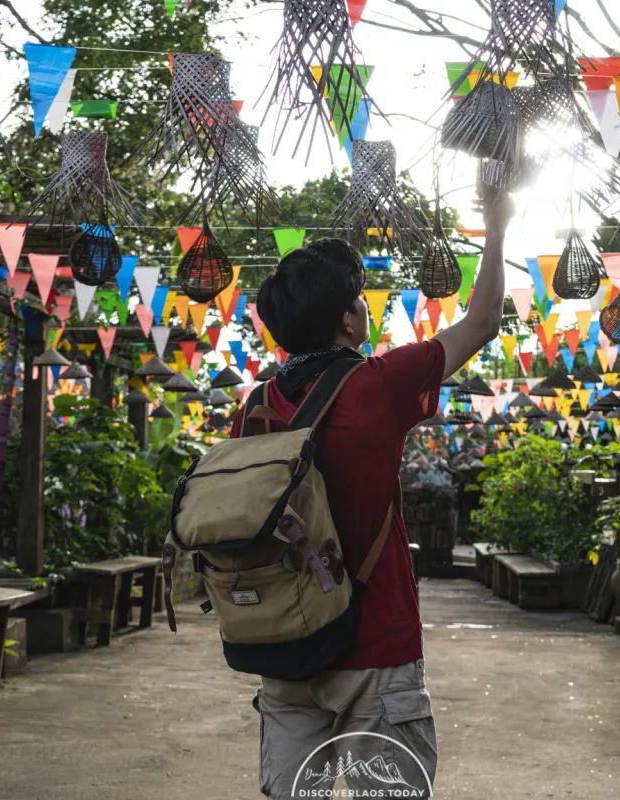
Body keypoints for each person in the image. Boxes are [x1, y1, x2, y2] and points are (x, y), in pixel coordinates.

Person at [233, 186, 515, 799]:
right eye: (360, 300)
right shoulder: (378, 384)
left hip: (282, 646)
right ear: (347, 319)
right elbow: (484, 322)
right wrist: (497, 226)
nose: (366, 308)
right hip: (374, 646)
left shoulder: (255, 408)